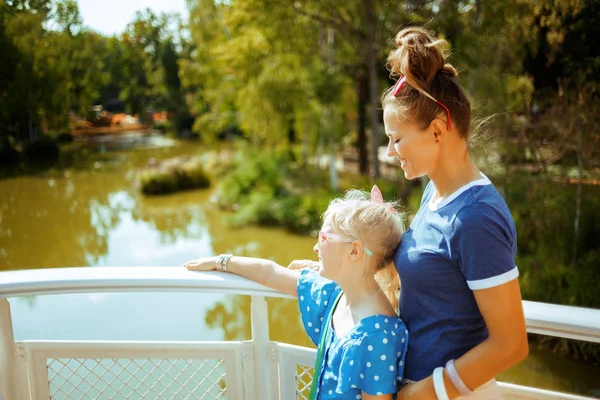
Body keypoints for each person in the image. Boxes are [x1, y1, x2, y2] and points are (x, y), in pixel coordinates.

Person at [381, 27, 529, 399]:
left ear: (437, 130)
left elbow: (511, 344)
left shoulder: (477, 217)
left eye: (396, 139)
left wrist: (421, 394)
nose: (389, 152)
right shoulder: (435, 191)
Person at [184, 187, 409, 399]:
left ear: (354, 250)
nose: (316, 247)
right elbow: (271, 273)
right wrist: (222, 262)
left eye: (325, 238)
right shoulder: (335, 294)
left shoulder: (377, 335)